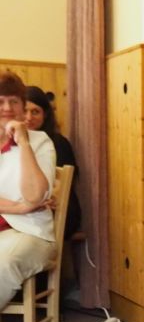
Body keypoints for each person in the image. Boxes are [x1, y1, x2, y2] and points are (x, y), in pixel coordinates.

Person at [0, 72, 57, 312]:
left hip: (30, 231)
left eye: (13, 101)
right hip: (12, 222)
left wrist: (23, 142)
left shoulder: (40, 141)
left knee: (4, 263)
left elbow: (35, 196)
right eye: (1, 101)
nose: (7, 108)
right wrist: (20, 207)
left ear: (22, 107)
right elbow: (28, 203)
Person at [24, 86, 82, 239]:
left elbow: (59, 188)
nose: (29, 117)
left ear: (45, 115)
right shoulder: (13, 142)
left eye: (35, 112)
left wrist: (45, 200)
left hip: (60, 210)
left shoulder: (58, 143)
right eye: (24, 111)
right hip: (28, 207)